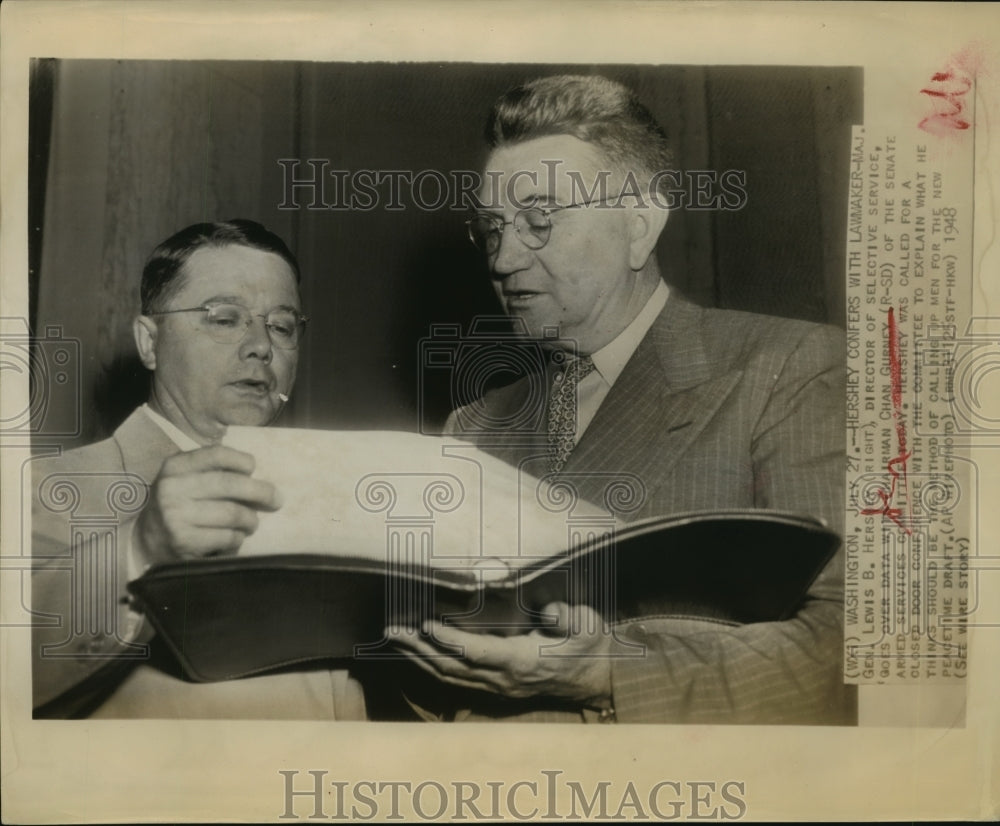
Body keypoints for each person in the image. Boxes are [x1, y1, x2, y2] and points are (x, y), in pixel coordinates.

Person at [389, 75, 855, 724]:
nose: (502, 258)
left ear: (640, 226)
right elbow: (427, 687)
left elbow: (852, 656)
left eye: (539, 222)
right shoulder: (473, 427)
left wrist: (605, 672)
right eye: (491, 227)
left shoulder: (790, 372)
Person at [31, 219, 366, 719]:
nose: (261, 345)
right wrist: (140, 550)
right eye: (224, 317)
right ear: (149, 342)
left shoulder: (327, 505)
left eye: (281, 325)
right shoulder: (45, 487)